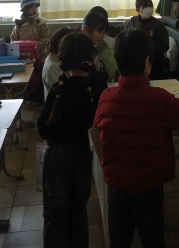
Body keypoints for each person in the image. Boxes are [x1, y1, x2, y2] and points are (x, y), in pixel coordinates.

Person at [93, 29, 179, 248]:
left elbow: (98, 128)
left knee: (119, 240)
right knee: (152, 239)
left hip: (117, 185)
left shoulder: (106, 97)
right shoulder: (159, 98)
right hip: (149, 186)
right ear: (147, 62)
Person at [37, 32, 108, 247]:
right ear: (91, 55)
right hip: (84, 154)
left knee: (55, 214)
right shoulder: (98, 85)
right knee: (79, 211)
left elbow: (43, 128)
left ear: (62, 56)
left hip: (57, 155)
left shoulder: (60, 87)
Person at [11, 0, 51, 103]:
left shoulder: (41, 23)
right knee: (25, 77)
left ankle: (37, 98)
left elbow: (46, 37)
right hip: (23, 58)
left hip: (39, 55)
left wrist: (38, 45)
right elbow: (13, 40)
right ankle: (25, 96)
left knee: (38, 77)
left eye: (35, 7)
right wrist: (18, 50)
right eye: (31, 7)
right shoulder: (19, 25)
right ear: (25, 10)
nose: (34, 9)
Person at [122, 0, 170, 80]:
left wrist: (147, 42)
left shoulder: (158, 25)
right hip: (135, 63)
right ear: (137, 10)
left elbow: (165, 46)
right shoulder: (132, 21)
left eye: (150, 6)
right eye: (145, 7)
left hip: (154, 63)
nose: (148, 9)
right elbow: (119, 30)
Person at [81, 10, 116, 82]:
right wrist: (104, 76)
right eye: (99, 32)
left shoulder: (99, 45)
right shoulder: (77, 47)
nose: (102, 36)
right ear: (86, 29)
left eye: (103, 33)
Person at [41, 26, 75, 99]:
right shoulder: (53, 67)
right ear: (61, 44)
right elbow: (68, 92)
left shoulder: (56, 60)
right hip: (58, 104)